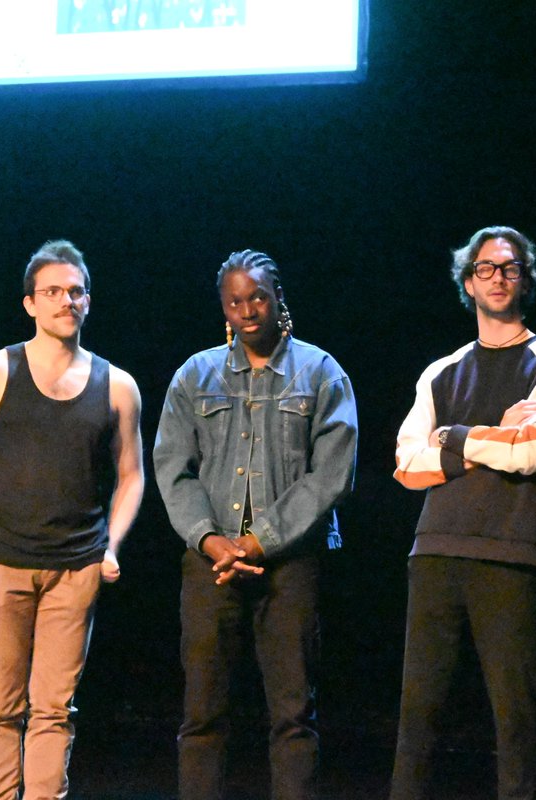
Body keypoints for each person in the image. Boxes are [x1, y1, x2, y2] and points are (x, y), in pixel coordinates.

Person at [154, 249, 357, 800]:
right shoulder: (194, 376)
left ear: (277, 297)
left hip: (290, 564)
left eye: (258, 297)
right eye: (235, 300)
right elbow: (173, 469)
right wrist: (212, 539)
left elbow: (330, 475)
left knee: (293, 712)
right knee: (202, 711)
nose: (247, 310)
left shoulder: (319, 372)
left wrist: (258, 541)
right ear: (224, 307)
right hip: (209, 563)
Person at [0, 240, 144, 800]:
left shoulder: (118, 385)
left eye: (75, 291)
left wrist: (112, 545)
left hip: (75, 569)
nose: (66, 300)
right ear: (30, 303)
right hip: (0, 562)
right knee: (1, 708)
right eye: (53, 291)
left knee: (55, 710)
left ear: (88, 301)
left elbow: (132, 475)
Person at [391, 225, 536, 800]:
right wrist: (492, 439)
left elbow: (530, 453)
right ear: (468, 281)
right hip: (436, 549)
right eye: (487, 268)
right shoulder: (440, 370)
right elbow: (406, 464)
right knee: (418, 714)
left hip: (509, 553)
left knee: (515, 715)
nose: (498, 278)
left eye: (511, 267)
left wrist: (457, 436)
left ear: (527, 279)